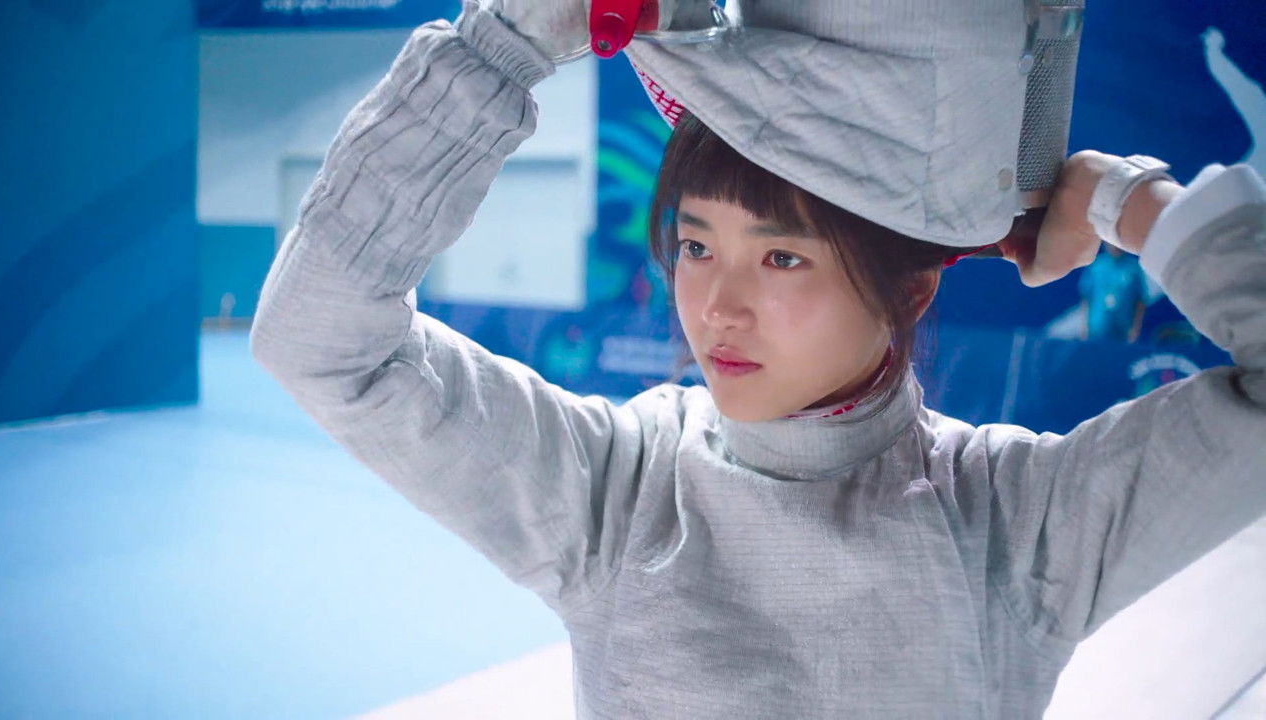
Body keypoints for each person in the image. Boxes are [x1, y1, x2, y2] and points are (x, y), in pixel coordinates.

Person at [249, 2, 1266, 717]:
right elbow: (322, 339)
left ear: (912, 287)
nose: (715, 306)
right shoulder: (617, 489)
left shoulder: (1015, 523)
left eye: (780, 256)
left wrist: (1128, 202)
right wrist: (497, 46)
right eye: (696, 245)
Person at [1078, 242, 1148, 343]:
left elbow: (1140, 302)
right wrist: (1084, 327)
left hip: (1122, 327)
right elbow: (1086, 299)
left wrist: (1135, 329)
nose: (1114, 246)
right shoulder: (1096, 266)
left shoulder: (1134, 269)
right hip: (1097, 326)